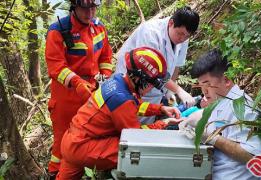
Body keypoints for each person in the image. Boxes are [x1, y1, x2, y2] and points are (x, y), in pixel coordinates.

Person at [56, 47, 181, 179]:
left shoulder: (118, 81)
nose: (151, 89)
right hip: (82, 147)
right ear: (139, 79)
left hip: (73, 141)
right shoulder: (122, 99)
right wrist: (163, 123)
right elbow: (136, 136)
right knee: (133, 151)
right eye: (150, 84)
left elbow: (133, 107)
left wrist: (160, 109)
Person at [45, 0, 113, 176]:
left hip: (92, 92)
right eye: (85, 8)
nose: (89, 13)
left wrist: (104, 75)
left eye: (93, 8)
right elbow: (55, 66)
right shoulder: (59, 31)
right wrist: (76, 82)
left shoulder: (99, 28)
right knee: (63, 141)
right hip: (65, 97)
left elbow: (106, 56)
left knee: (90, 136)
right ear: (74, 7)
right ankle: (55, 174)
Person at [179, 49, 261, 179]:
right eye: (201, 85)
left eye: (207, 84)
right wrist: (190, 121)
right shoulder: (221, 100)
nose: (204, 91)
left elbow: (255, 158)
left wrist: (212, 138)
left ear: (226, 80)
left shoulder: (242, 106)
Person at [115, 6, 200, 124]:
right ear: (171, 23)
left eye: (187, 36)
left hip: (153, 92)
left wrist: (169, 92)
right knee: (126, 127)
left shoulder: (183, 37)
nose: (183, 39)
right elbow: (149, 71)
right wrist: (179, 90)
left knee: (143, 131)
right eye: (180, 34)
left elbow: (176, 66)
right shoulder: (150, 33)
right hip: (133, 87)